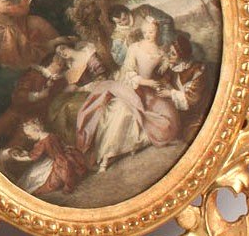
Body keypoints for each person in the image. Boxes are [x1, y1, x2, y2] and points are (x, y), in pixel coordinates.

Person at [76, 18, 181, 172]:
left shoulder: (161, 52)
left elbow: (163, 75)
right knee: (121, 110)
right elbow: (129, 72)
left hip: (150, 92)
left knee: (168, 118)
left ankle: (134, 145)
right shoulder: (135, 47)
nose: (147, 35)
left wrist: (163, 74)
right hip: (131, 88)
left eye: (151, 32)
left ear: (157, 32)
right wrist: (146, 82)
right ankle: (106, 156)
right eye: (145, 32)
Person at [0, 48, 70, 149]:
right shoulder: (34, 74)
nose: (59, 66)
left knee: (17, 143)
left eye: (62, 64)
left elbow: (53, 106)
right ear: (52, 60)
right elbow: (19, 95)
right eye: (58, 62)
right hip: (18, 110)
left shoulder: (60, 83)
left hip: (33, 118)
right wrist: (38, 96)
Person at [0, 118, 88, 196]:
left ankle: (22, 191)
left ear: (37, 131)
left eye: (29, 135)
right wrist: (27, 153)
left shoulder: (41, 143)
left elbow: (32, 157)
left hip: (55, 162)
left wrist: (18, 158)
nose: (29, 138)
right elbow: (57, 146)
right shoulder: (51, 135)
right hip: (63, 156)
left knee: (33, 175)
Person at [158, 34, 210, 139]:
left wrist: (170, 94)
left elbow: (192, 99)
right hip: (176, 109)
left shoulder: (197, 70)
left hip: (194, 112)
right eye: (169, 51)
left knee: (192, 135)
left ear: (182, 56)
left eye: (173, 54)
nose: (169, 55)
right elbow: (163, 81)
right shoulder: (172, 66)